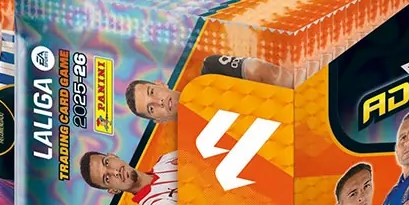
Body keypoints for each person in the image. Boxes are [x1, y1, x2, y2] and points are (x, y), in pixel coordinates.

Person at [124, 57, 293, 123]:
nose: (158, 102)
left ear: (160, 84)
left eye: (152, 92)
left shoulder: (212, 70)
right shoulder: (192, 151)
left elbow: (258, 69)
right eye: (151, 108)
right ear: (158, 121)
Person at [78, 149, 177, 205]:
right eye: (106, 178)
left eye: (106, 162)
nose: (115, 172)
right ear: (114, 190)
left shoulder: (166, 159)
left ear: (113, 156)